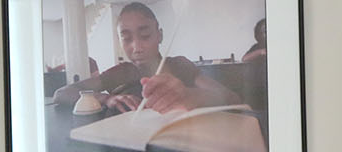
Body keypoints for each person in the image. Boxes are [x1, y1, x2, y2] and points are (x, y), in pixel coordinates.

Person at [51, 2, 238, 115]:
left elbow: (231, 97)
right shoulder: (120, 73)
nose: (136, 47)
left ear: (160, 35)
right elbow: (61, 93)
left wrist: (189, 95)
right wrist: (105, 99)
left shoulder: (180, 65)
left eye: (145, 35)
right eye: (126, 38)